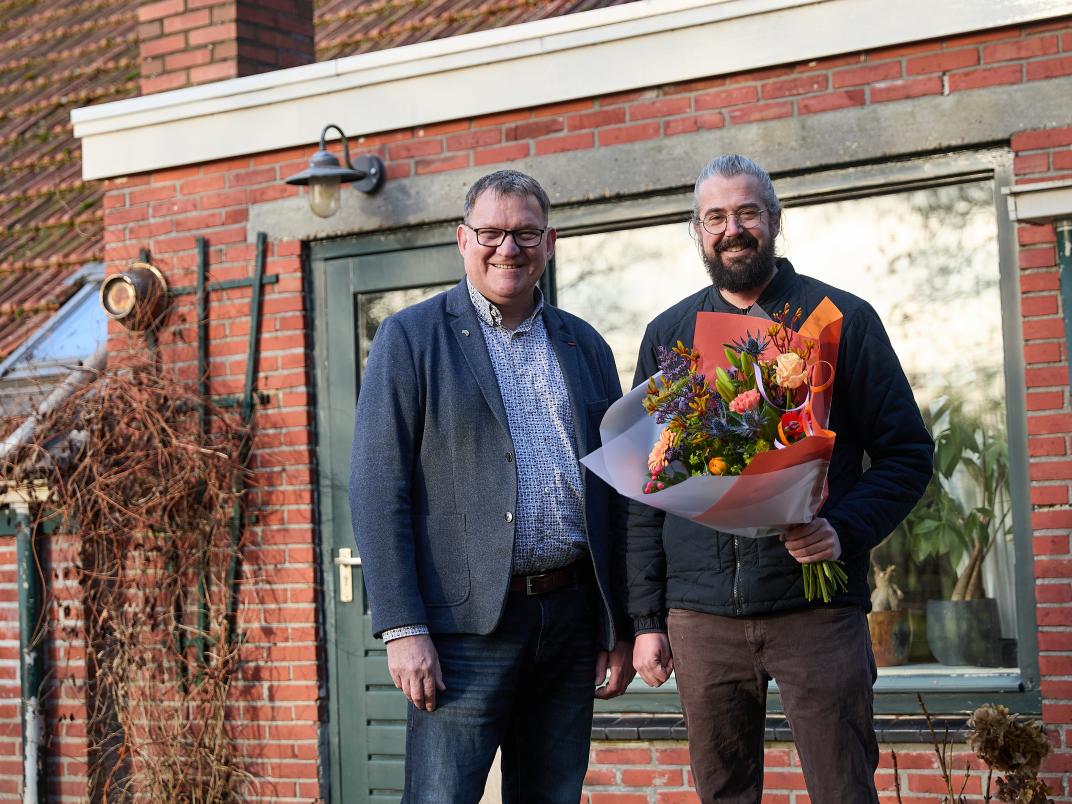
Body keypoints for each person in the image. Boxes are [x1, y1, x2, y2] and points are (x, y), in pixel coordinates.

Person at [627, 154, 934, 804]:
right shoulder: (669, 337)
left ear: (774, 219)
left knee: (843, 790)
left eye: (746, 213)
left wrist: (842, 530)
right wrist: (646, 618)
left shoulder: (839, 319)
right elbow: (646, 486)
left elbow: (907, 453)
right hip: (702, 617)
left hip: (815, 612)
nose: (732, 229)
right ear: (696, 230)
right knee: (725, 795)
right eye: (715, 217)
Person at [350, 169, 635, 802]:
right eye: (492, 232)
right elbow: (377, 488)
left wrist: (617, 623)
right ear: (462, 239)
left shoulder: (584, 345)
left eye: (526, 233)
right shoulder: (411, 338)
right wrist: (402, 628)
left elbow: (616, 494)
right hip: (461, 632)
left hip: (569, 620)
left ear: (549, 242)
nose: (508, 248)